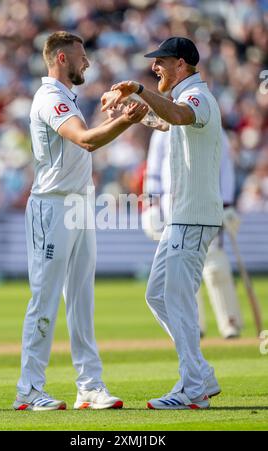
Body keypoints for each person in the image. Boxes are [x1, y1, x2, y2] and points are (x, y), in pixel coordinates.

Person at [13, 31, 148, 411]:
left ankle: (89, 385)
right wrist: (127, 121)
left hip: (79, 204)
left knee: (81, 299)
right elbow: (86, 140)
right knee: (44, 298)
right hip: (52, 206)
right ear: (61, 59)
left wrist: (121, 113)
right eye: (80, 56)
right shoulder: (50, 98)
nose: (86, 62)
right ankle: (29, 389)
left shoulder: (67, 97)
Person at [103, 37, 223, 410]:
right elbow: (171, 122)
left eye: (162, 61)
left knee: (178, 300)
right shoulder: (186, 97)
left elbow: (181, 116)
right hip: (182, 218)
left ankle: (193, 390)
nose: (155, 67)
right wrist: (140, 114)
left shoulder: (197, 97)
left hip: (193, 217)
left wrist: (139, 91)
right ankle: (200, 373)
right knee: (157, 294)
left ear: (183, 65)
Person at [143, 128, 243, 339]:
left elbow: (225, 169)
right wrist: (151, 205)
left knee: (215, 265)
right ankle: (193, 324)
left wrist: (227, 204)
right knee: (181, 266)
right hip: (173, 207)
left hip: (208, 204)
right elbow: (153, 169)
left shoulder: (214, 128)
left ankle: (229, 322)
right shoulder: (163, 131)